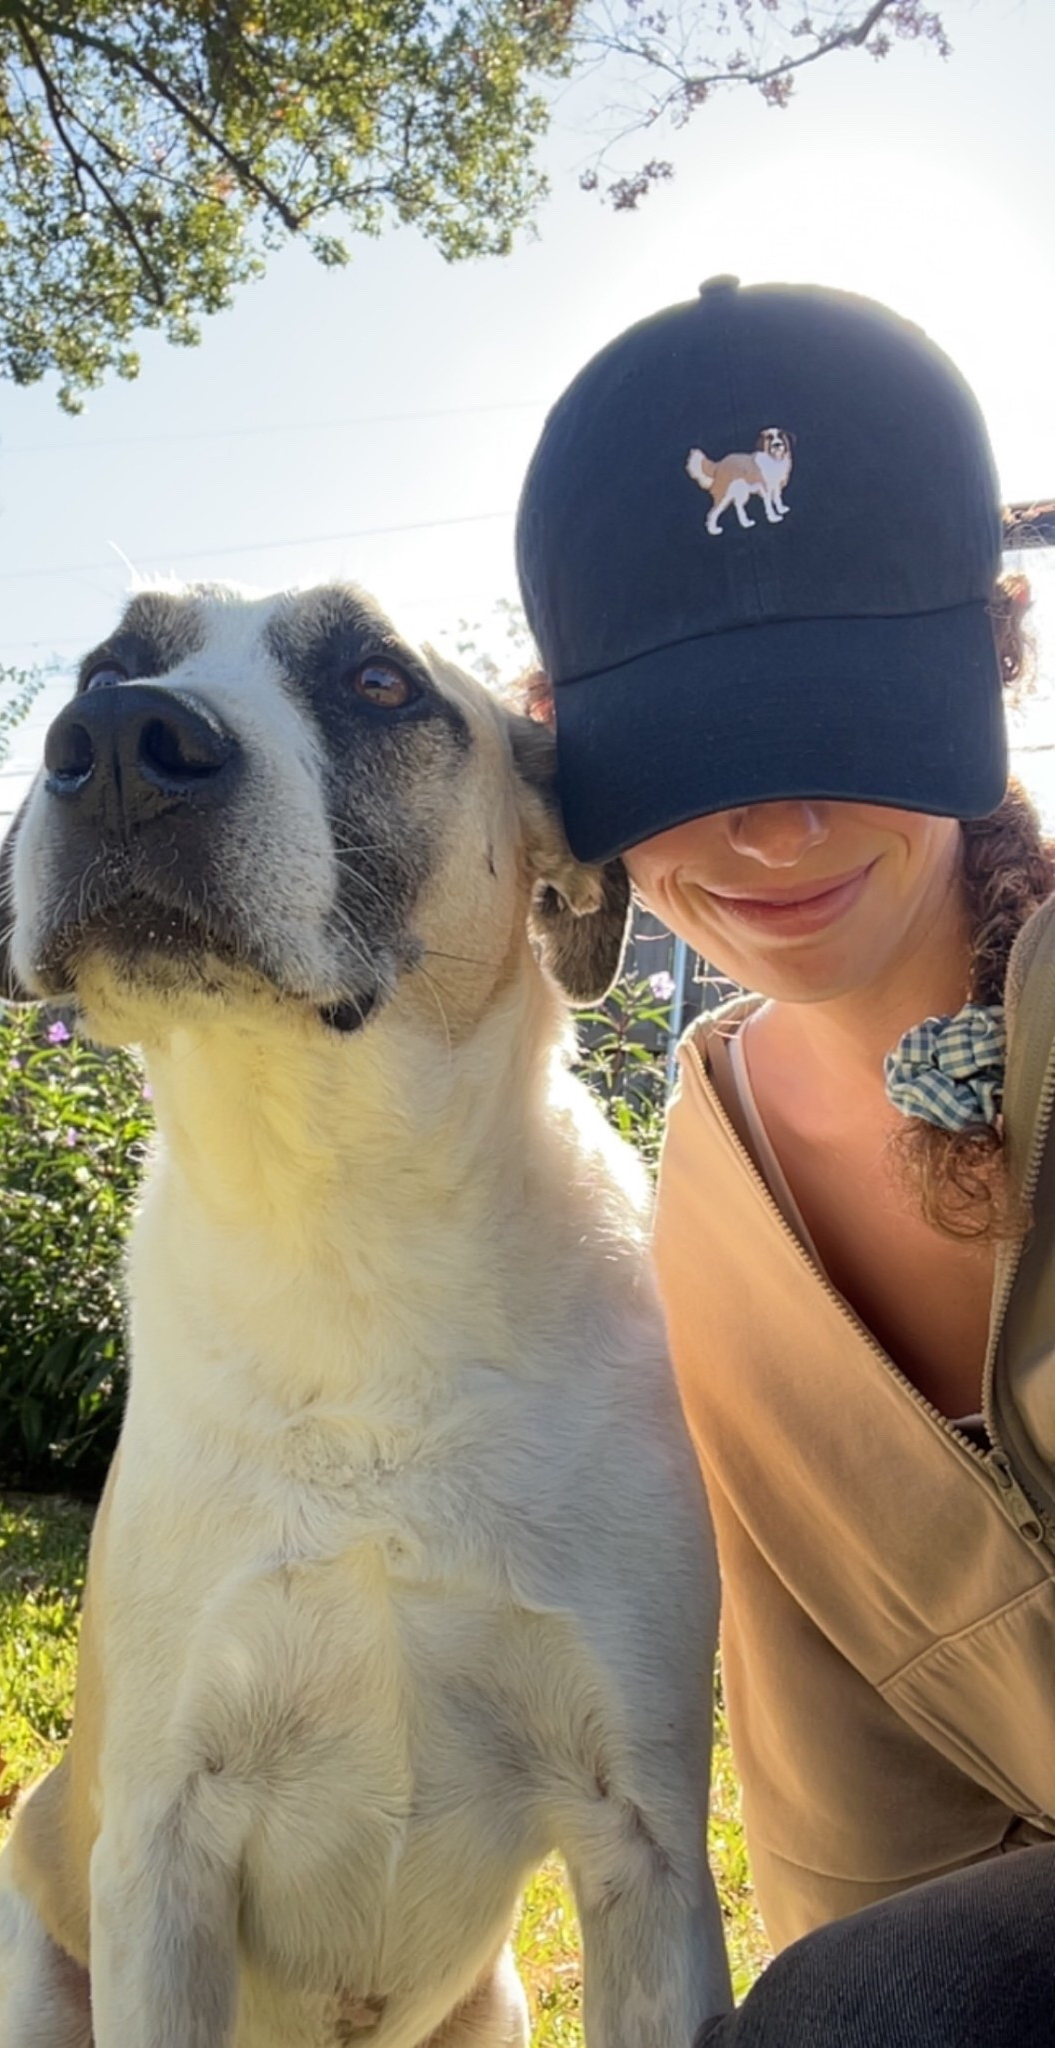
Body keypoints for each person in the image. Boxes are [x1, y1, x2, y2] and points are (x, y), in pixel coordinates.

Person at [515, 277, 1055, 2044]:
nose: (772, 827)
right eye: (698, 748)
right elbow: (849, 1807)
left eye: (841, 715)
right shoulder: (710, 1179)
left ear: (991, 660)